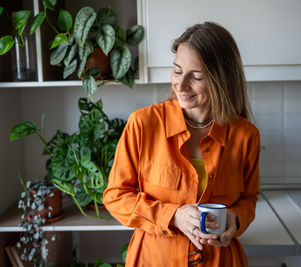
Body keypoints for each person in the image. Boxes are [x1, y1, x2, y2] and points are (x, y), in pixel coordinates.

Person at [103, 22, 260, 267]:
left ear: (222, 80)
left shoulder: (245, 135)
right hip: (153, 260)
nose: (181, 85)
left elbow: (249, 199)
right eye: (177, 71)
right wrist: (173, 215)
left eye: (196, 77)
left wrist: (235, 219)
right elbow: (115, 196)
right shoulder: (143, 124)